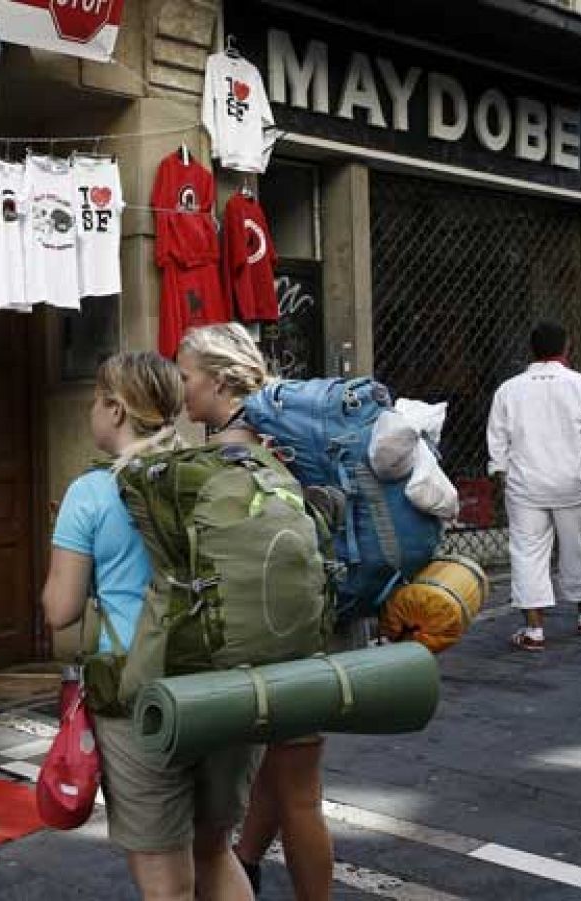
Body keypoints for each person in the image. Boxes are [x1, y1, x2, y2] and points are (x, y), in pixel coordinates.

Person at [41, 351, 258, 901]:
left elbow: (59, 611)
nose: (92, 410)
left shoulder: (89, 493)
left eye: (95, 399)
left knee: (166, 885)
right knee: (215, 851)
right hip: (224, 687)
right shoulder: (215, 469)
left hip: (141, 698)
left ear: (115, 410)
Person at [176, 323, 330, 900]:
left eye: (186, 376)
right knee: (288, 776)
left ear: (218, 380)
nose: (180, 388)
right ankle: (248, 864)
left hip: (263, 637)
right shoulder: (292, 433)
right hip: (312, 622)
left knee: (293, 793)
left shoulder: (226, 455)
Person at [488, 319, 581, 650]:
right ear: (567, 347)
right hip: (574, 483)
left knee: (527, 553)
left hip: (525, 485)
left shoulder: (508, 389)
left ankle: (534, 630)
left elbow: (497, 441)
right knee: (580, 550)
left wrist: (504, 475)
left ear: (531, 350)